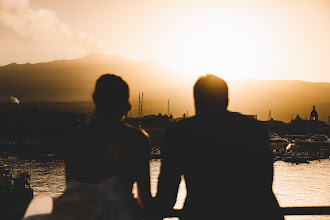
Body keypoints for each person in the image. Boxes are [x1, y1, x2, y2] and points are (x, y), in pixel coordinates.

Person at [155, 74, 284, 219]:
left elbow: (167, 194)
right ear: (227, 101)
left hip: (201, 212)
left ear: (196, 102)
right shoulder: (255, 129)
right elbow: (266, 180)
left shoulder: (179, 132)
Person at [64, 74, 153, 219]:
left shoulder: (77, 137)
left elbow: (71, 188)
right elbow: (145, 198)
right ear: (126, 104)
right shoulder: (137, 138)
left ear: (95, 100)